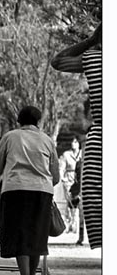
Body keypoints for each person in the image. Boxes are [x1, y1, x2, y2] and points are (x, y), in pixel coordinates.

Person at [0, 105, 60, 275]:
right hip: (41, 191)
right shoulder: (47, 140)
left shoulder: (10, 137)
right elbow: (56, 175)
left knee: (18, 231)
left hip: (15, 189)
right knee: (38, 232)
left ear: (19, 121)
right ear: (38, 121)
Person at [51, 23, 102, 250]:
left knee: (92, 195)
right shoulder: (94, 58)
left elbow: (58, 61)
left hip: (99, 135)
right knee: (91, 195)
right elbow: (57, 62)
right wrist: (93, 42)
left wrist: (91, 41)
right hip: (99, 133)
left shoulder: (93, 57)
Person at [58, 137, 82, 232]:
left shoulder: (82, 153)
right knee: (70, 202)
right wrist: (63, 178)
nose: (73, 143)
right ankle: (70, 223)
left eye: (75, 141)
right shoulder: (66, 154)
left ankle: (76, 223)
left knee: (77, 201)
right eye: (72, 141)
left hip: (79, 180)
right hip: (69, 179)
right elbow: (61, 168)